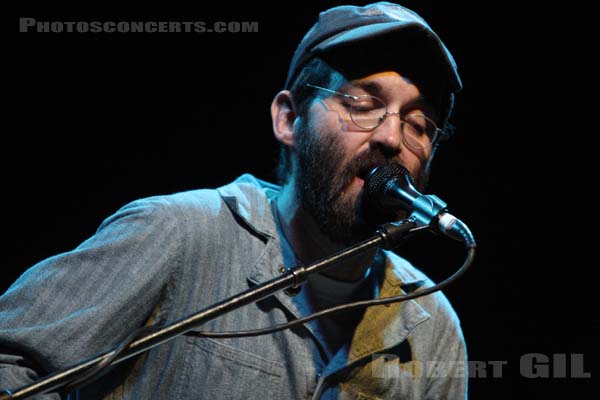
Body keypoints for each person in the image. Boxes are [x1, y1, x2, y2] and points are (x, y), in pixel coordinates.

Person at [1, 2, 468, 398]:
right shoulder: (179, 233)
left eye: (419, 125)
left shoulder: (434, 328)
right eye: (362, 105)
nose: (391, 137)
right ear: (288, 120)